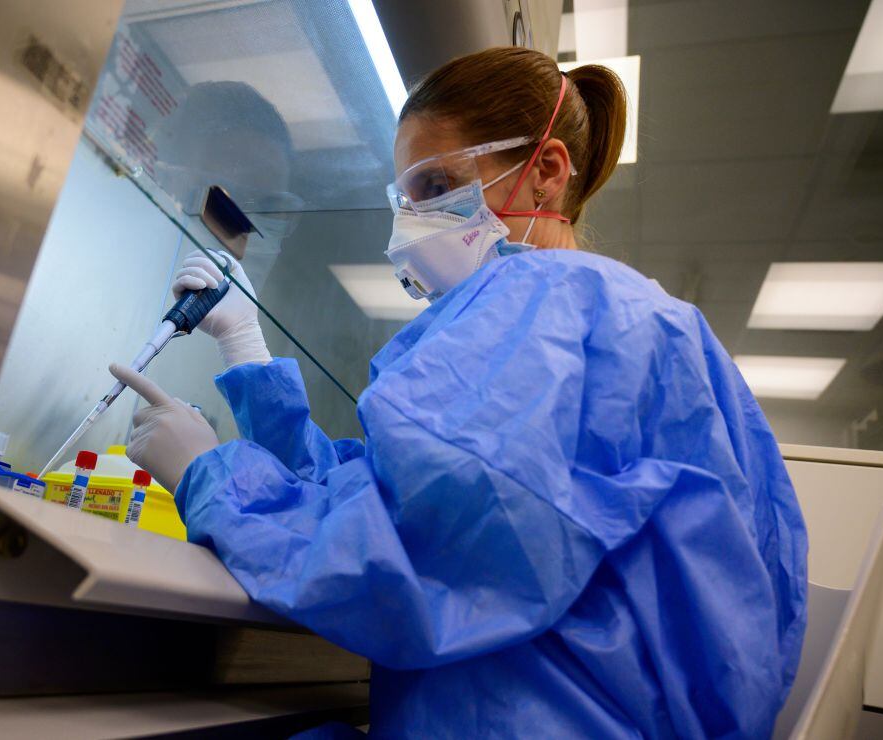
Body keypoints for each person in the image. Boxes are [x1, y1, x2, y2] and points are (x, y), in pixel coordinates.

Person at [111, 47, 807, 738]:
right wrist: (246, 347)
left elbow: (399, 561)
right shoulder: (634, 321)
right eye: (405, 198)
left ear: (546, 173)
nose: (409, 223)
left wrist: (212, 478)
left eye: (435, 184)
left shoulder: (542, 305)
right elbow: (410, 504)